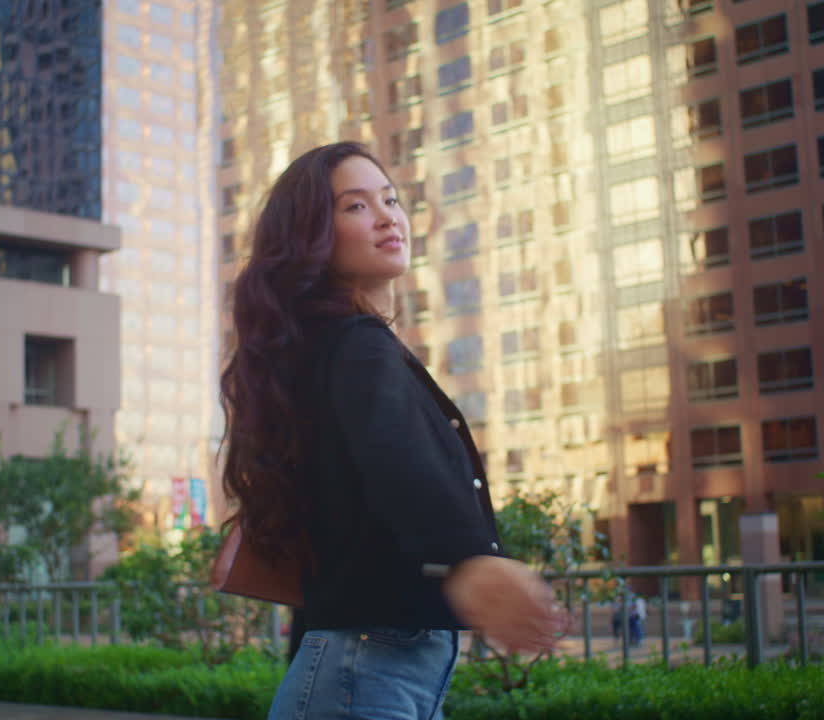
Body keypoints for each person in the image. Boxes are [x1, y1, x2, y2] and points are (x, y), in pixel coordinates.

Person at [219, 142, 566, 720]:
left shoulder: (333, 349)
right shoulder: (355, 346)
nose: (387, 217)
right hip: (363, 673)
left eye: (390, 199)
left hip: (362, 670)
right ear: (312, 236)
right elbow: (397, 460)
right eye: (355, 206)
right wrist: (469, 561)